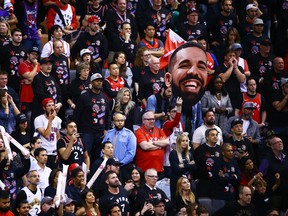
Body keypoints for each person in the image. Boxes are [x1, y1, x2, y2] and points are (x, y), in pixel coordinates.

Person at [73, 73, 111, 163]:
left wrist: (107, 129)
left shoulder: (104, 97)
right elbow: (77, 114)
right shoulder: (84, 97)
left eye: (100, 81)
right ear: (92, 83)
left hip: (100, 133)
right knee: (85, 156)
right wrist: (77, 130)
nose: (99, 83)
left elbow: (108, 114)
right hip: (87, 132)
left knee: (98, 157)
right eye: (97, 81)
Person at [164, 42, 207, 108]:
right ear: (168, 79)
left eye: (201, 67)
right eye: (184, 66)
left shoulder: (200, 107)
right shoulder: (158, 103)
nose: (193, 71)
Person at [135, 111, 169, 176]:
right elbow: (145, 146)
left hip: (159, 169)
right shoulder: (139, 132)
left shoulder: (159, 130)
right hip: (145, 170)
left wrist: (153, 143)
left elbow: (167, 142)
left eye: (153, 119)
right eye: (149, 119)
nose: (152, 121)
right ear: (143, 121)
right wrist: (160, 145)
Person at [211, 143, 241, 212]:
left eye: (232, 150)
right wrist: (233, 177)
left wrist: (225, 177)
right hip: (219, 196)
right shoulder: (217, 162)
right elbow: (219, 180)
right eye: (228, 151)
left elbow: (239, 178)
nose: (231, 152)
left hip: (232, 196)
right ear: (223, 152)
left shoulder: (234, 162)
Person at [31, 58, 62, 123]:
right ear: (41, 66)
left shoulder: (52, 77)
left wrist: (59, 103)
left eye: (50, 64)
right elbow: (40, 95)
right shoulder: (38, 78)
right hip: (41, 111)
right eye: (46, 64)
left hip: (52, 110)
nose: (49, 66)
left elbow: (58, 91)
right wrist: (52, 104)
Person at [193, 128, 222, 198]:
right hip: (204, 182)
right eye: (212, 135)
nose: (215, 136)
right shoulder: (199, 150)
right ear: (207, 137)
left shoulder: (221, 149)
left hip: (218, 182)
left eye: (216, 135)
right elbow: (196, 165)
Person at [34, 98, 62, 169]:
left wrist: (58, 152)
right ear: (44, 108)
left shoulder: (58, 120)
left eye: (53, 105)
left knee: (54, 175)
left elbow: (58, 137)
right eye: (49, 105)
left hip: (53, 152)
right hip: (43, 152)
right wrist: (50, 120)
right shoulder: (38, 119)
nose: (51, 107)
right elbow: (46, 135)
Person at [169, 133, 197, 201]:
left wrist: (184, 165)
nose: (185, 143)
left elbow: (195, 168)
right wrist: (189, 165)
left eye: (186, 141)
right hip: (177, 182)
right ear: (178, 142)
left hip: (188, 180)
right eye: (183, 141)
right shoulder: (173, 153)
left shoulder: (189, 153)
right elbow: (177, 170)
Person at [0, 28, 27, 93]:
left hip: (20, 80)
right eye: (16, 35)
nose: (19, 37)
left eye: (20, 35)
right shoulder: (5, 49)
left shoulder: (25, 48)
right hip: (8, 80)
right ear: (12, 37)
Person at [18, 46, 41, 114]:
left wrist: (31, 80)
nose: (35, 56)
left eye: (36, 55)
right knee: (25, 117)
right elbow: (29, 77)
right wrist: (36, 66)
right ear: (28, 54)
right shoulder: (23, 65)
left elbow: (39, 78)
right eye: (33, 54)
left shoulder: (39, 65)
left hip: (36, 95)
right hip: (26, 96)